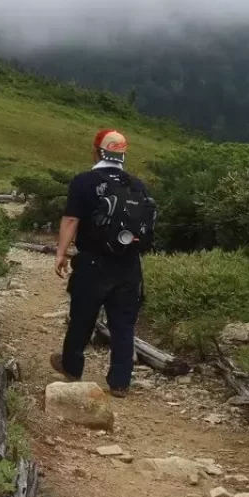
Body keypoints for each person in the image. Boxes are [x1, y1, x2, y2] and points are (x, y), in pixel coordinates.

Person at [52, 129, 157, 397]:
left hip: (93, 262)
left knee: (82, 317)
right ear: (122, 154)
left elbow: (71, 220)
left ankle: (72, 368)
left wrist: (61, 252)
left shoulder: (84, 181)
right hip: (129, 264)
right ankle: (120, 382)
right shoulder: (137, 185)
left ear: (96, 151)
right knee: (123, 324)